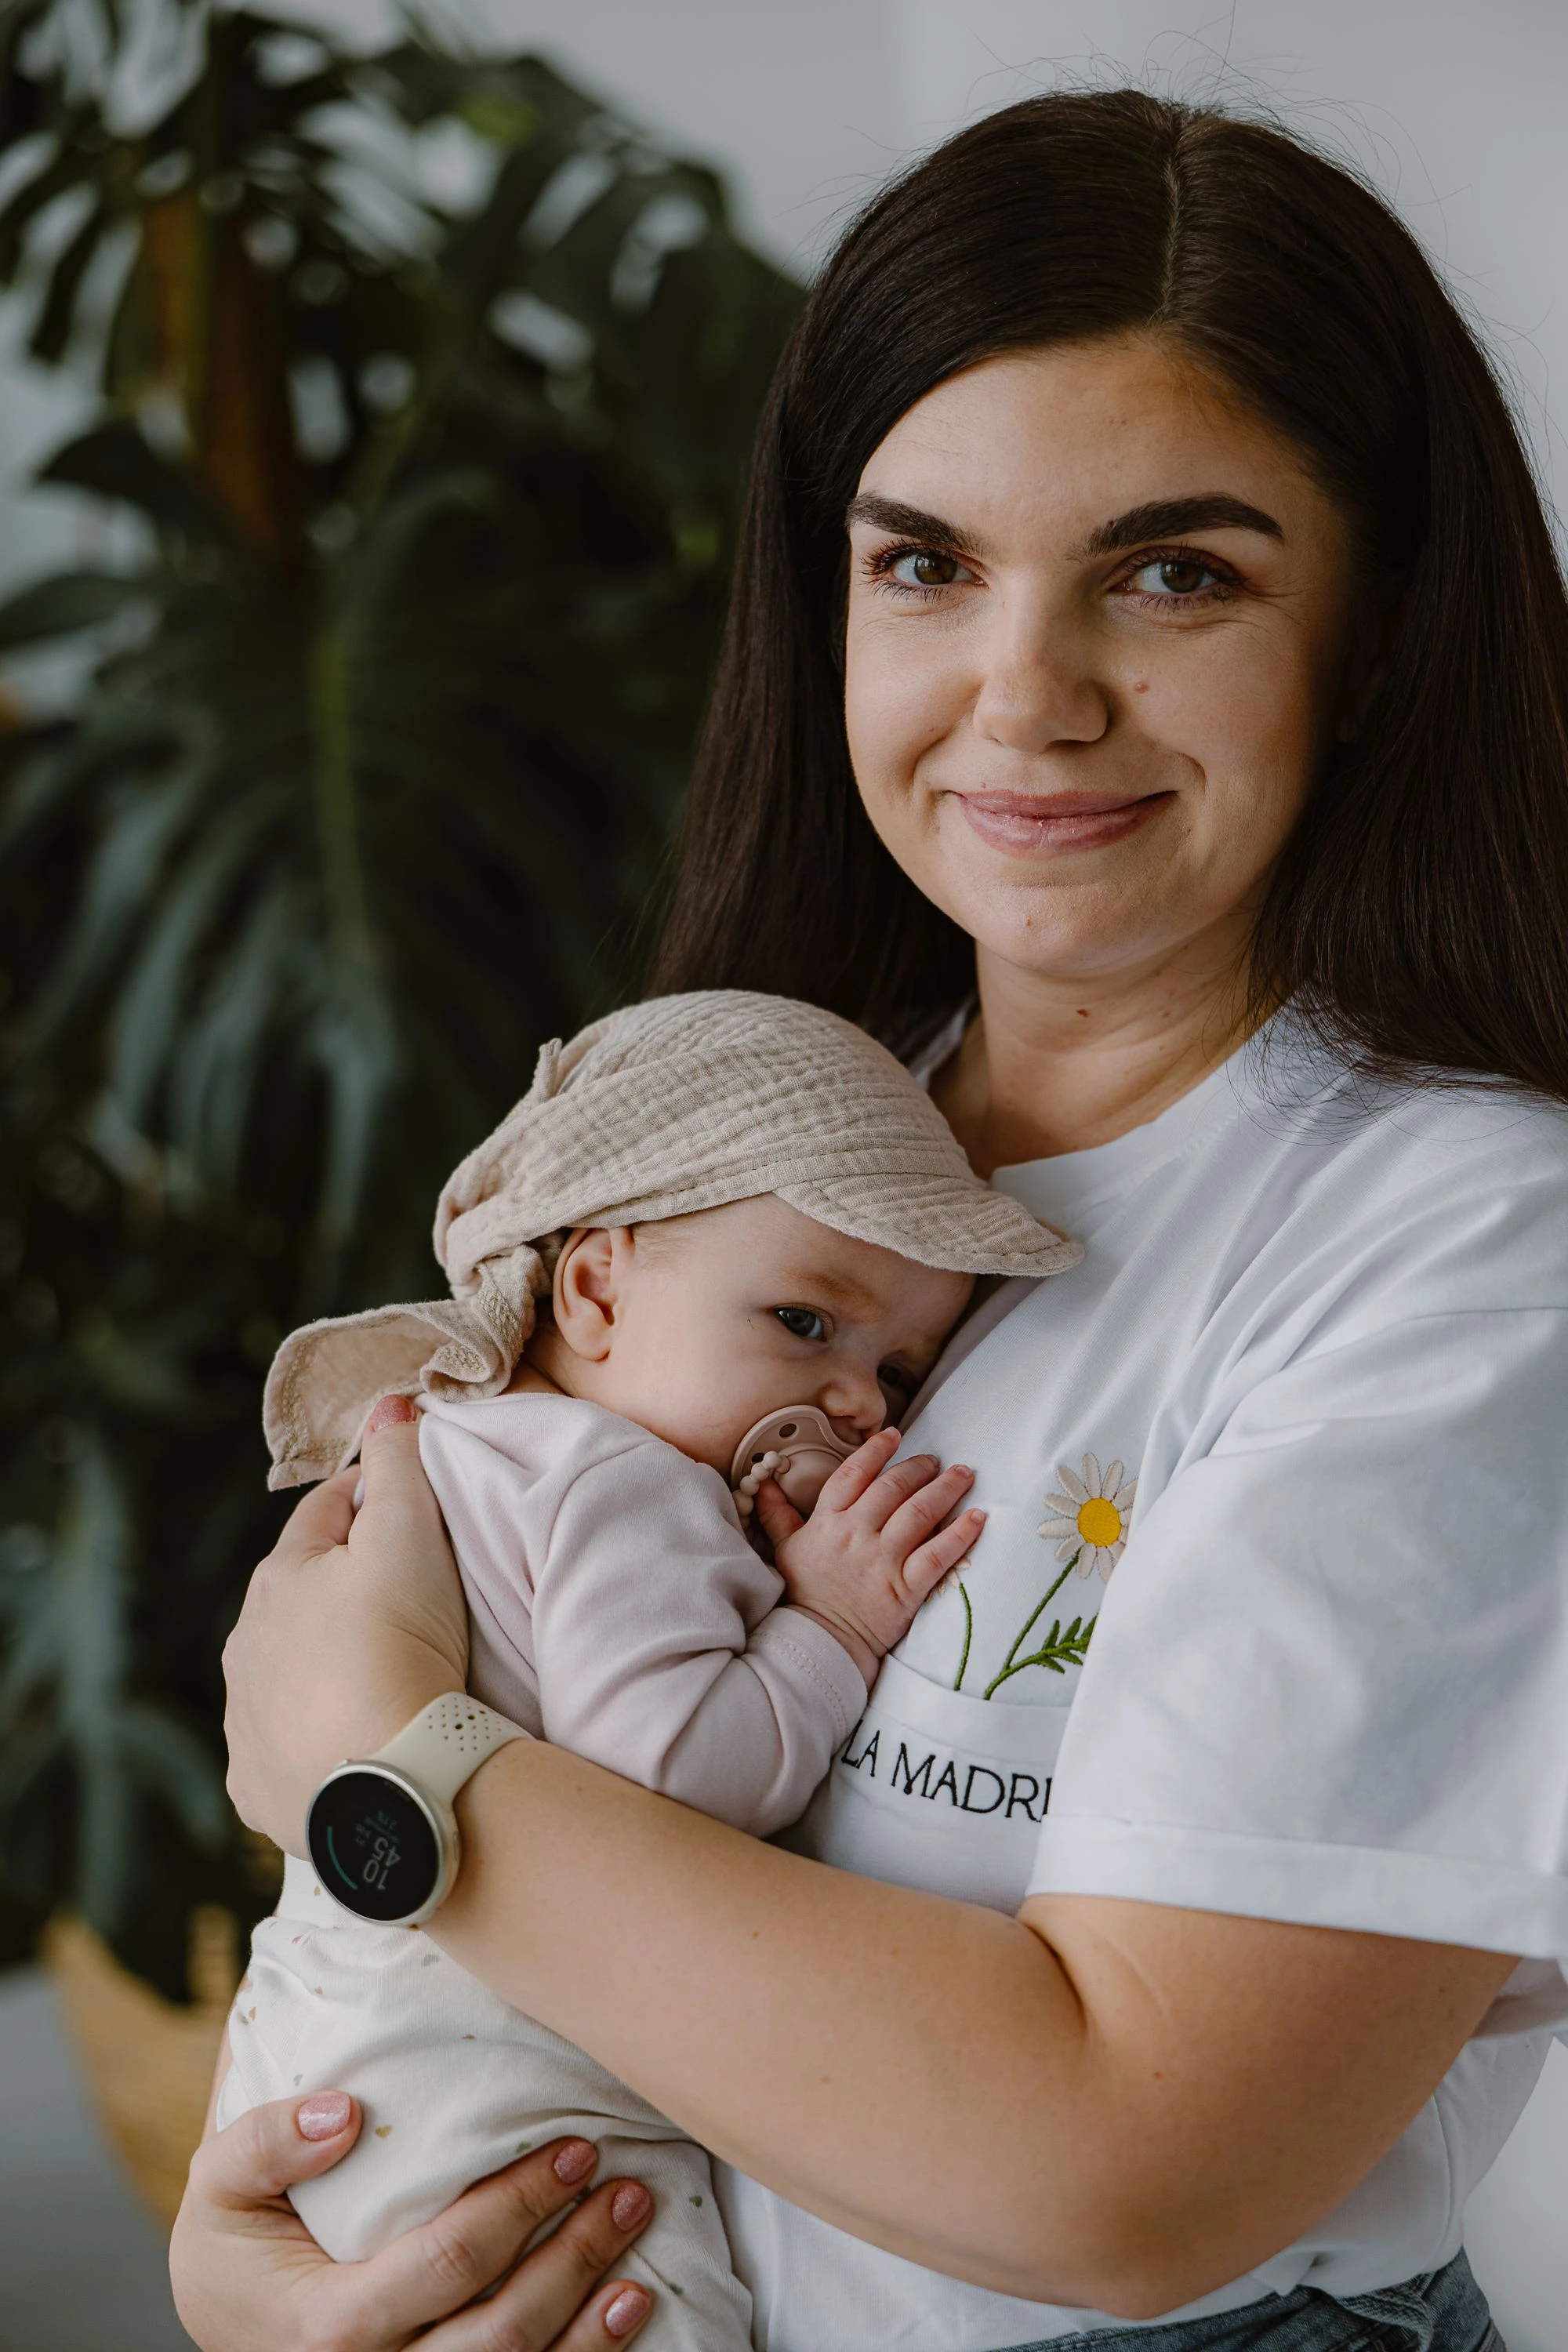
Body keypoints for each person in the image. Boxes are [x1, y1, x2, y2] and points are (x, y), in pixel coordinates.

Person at [173, 87, 1568, 2352]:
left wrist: (387, 1774)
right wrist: (307, 2267)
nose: (1027, 696)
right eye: (925, 564)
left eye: (1174, 572)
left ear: (1383, 631)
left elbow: (1129, 2172)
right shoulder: (774, 1143)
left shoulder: (1471, 1249)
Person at [219, 989, 1072, 2343]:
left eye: (902, 1372)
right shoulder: (625, 1483)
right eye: (805, 1322)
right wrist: (834, 1628)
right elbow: (664, 1778)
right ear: (596, 1288)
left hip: (338, 2037)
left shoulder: (478, 1440)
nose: (859, 1403)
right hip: (495, 2076)